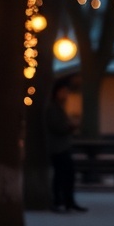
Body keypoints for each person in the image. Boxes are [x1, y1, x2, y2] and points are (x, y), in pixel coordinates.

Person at [45, 79, 88, 213]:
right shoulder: (53, 108)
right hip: (58, 148)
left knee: (66, 174)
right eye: (63, 92)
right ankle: (60, 201)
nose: (65, 94)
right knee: (62, 175)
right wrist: (70, 127)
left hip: (62, 146)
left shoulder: (59, 108)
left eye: (66, 92)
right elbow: (56, 127)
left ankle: (66, 201)